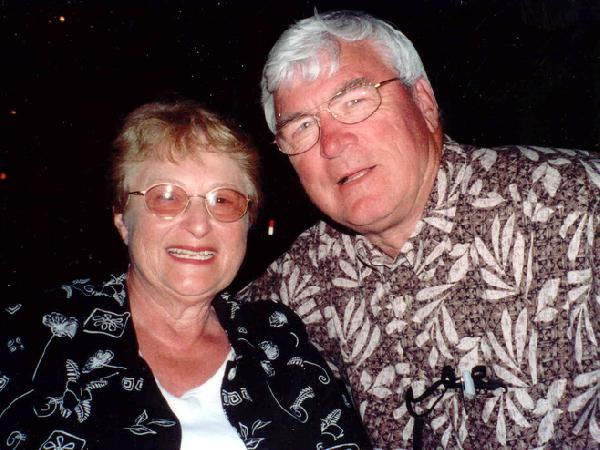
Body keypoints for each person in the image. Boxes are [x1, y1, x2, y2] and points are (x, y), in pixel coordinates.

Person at [240, 10, 600, 449]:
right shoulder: (300, 280)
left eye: (354, 102)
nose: (331, 143)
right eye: (301, 127)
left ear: (424, 102)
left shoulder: (578, 209)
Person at [0, 101, 371, 449]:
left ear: (248, 222)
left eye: (223, 200)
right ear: (122, 219)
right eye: (167, 197)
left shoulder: (278, 343)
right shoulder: (34, 336)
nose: (198, 225)